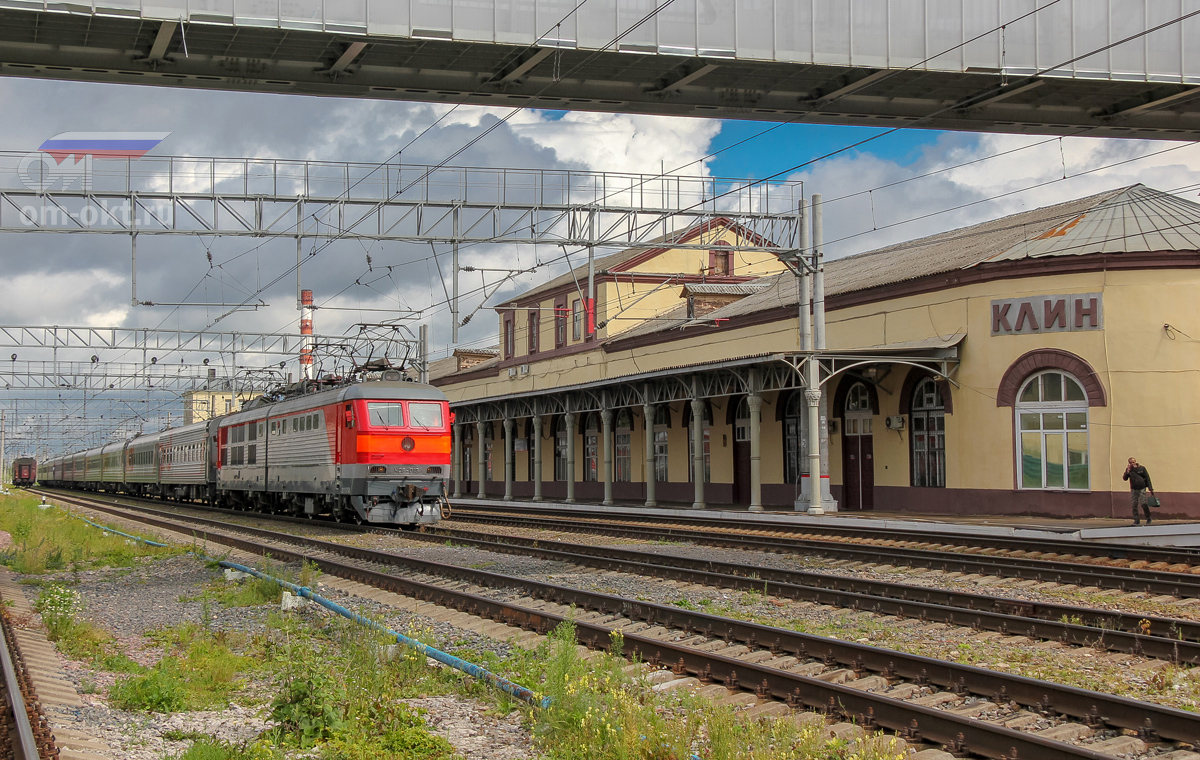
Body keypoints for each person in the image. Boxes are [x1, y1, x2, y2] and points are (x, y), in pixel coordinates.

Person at [1123, 457, 1155, 526]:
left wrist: (1150, 488)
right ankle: (1136, 520)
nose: (1132, 464)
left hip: (1142, 488)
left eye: (1133, 462)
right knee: (1134, 505)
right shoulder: (1129, 470)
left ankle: (1148, 518)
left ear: (1135, 462)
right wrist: (1127, 471)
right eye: (1130, 462)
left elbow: (1147, 478)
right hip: (1134, 489)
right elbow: (1125, 478)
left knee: (1143, 503)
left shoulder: (1141, 468)